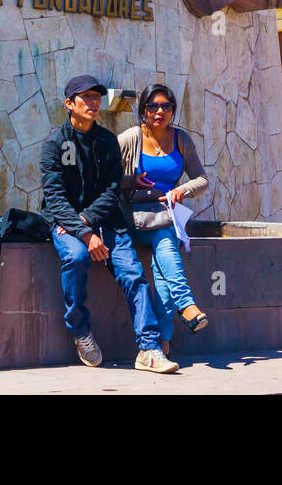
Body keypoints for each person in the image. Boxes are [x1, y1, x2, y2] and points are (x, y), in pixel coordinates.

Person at [40, 74, 178, 374]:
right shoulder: (54, 143)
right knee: (75, 257)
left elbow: (112, 190)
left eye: (96, 97)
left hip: (103, 223)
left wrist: (87, 221)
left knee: (134, 275)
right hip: (66, 223)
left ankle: (149, 349)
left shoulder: (106, 141)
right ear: (69, 103)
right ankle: (79, 330)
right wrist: (83, 232)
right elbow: (53, 196)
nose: (92, 102)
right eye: (85, 97)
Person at [118, 83, 211, 359]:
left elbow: (203, 179)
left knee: (162, 259)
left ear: (172, 109)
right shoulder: (129, 138)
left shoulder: (181, 139)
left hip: (167, 216)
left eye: (166, 106)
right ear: (143, 110)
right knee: (166, 242)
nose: (159, 111)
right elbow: (108, 180)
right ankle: (186, 306)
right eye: (153, 106)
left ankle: (162, 342)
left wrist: (182, 190)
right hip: (134, 219)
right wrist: (131, 180)